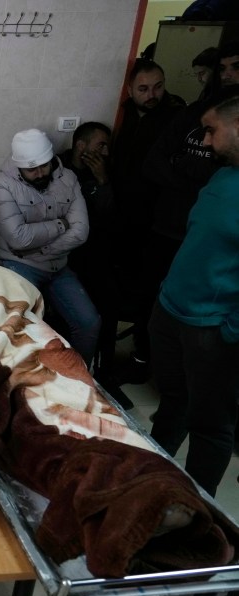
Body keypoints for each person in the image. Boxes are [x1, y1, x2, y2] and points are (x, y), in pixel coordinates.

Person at [148, 88, 239, 497]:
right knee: (173, 402)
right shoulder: (223, 174)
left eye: (210, 131)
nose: (204, 142)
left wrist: (230, 330)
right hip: (170, 309)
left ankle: (197, 510)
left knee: (211, 425)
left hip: (211, 327)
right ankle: (150, 481)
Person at [0, 128, 99, 366]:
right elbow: (18, 239)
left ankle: (77, 381)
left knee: (89, 322)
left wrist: (41, 249)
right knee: (20, 328)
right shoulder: (1, 187)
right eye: (31, 169)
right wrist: (61, 224)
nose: (39, 173)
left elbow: (80, 232)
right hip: (16, 263)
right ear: (19, 167)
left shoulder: (68, 179)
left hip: (57, 264)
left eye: (44, 166)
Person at [110, 58, 185, 381]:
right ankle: (124, 354)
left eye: (158, 86)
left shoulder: (175, 119)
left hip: (156, 222)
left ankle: (144, 358)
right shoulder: (124, 114)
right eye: (143, 88)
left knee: (150, 291)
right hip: (123, 216)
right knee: (121, 284)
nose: (152, 94)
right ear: (130, 89)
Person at [57, 122, 129, 405]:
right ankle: (67, 370)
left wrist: (102, 183)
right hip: (63, 254)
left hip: (95, 254)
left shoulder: (104, 175)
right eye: (100, 145)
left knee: (110, 302)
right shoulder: (57, 170)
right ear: (80, 146)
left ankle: (104, 375)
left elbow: (111, 219)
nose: (105, 151)